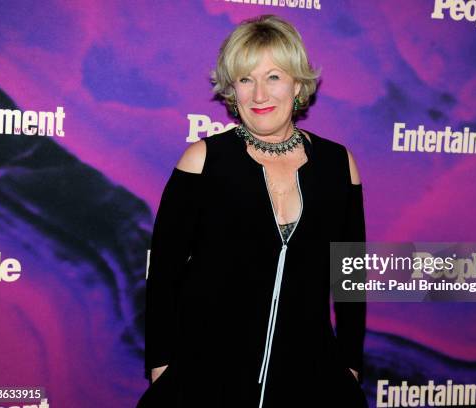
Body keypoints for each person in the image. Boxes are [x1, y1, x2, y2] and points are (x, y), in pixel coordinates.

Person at [137, 14, 367, 408]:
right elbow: (164, 276)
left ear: (298, 84)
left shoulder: (337, 163)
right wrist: (161, 365)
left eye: (274, 76)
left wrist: (349, 363)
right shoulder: (203, 160)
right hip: (206, 374)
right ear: (232, 89)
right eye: (246, 79)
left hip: (310, 374)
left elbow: (350, 276)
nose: (259, 95)